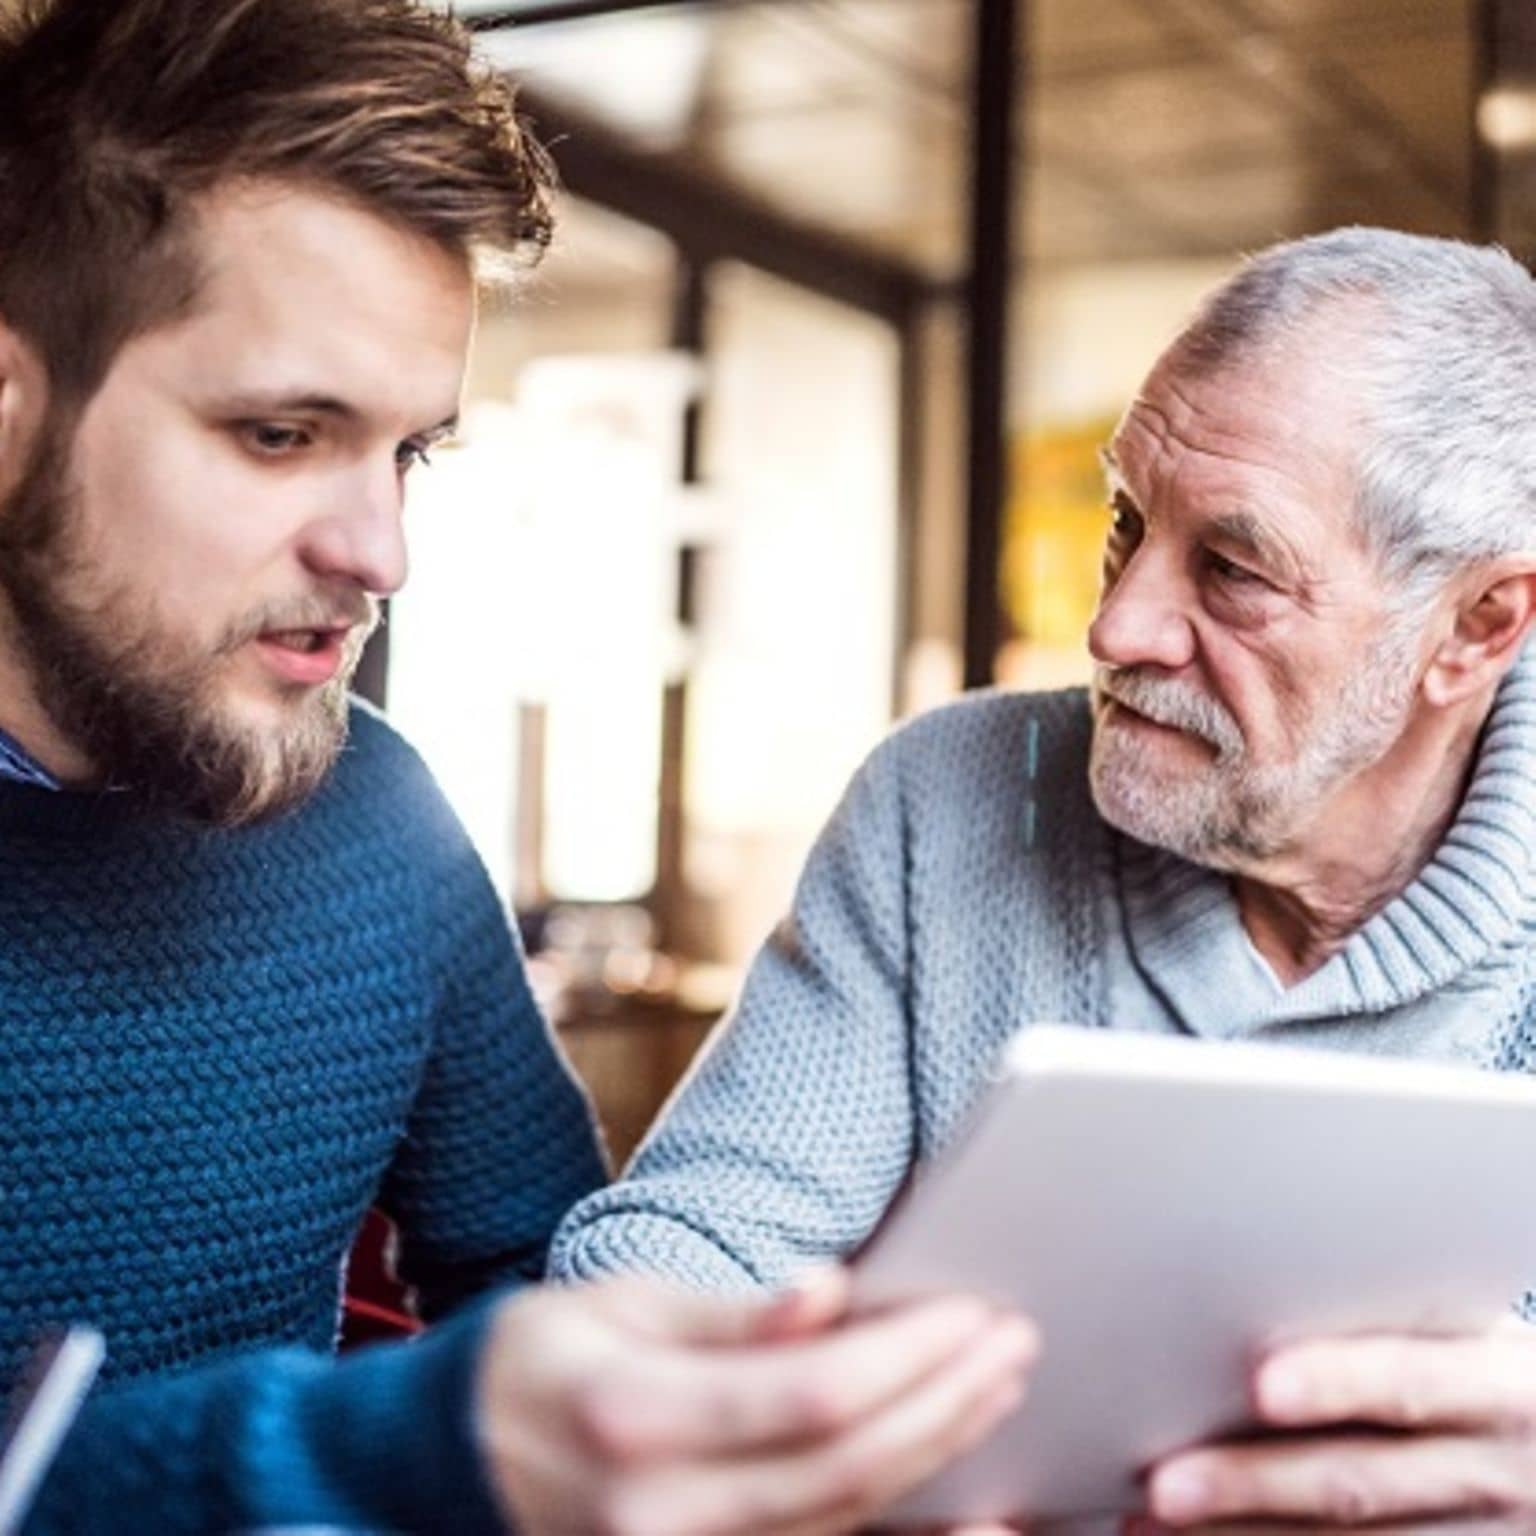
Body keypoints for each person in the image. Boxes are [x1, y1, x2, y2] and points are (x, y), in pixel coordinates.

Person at [0, 1, 1036, 1531]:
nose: (382, 554)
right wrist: (364, 1455)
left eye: (410, 452)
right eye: (283, 433)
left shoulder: (375, 815)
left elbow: (549, 1286)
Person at [551, 227, 1536, 1531]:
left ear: (1475, 628)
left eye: (1233, 572)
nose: (1117, 626)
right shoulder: (949, 797)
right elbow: (667, 1267)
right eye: (1127, 522)